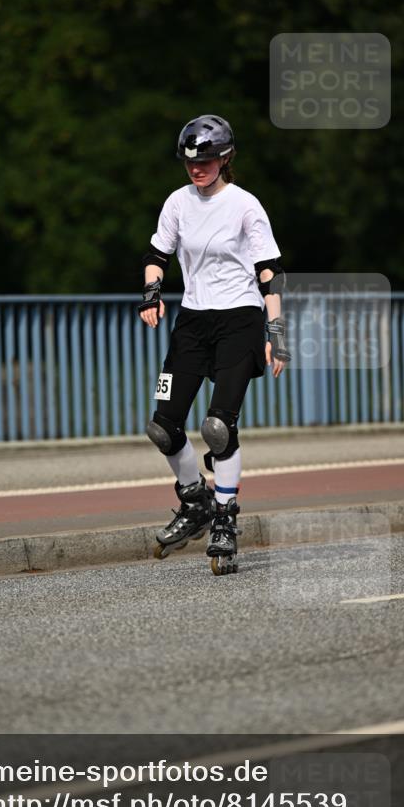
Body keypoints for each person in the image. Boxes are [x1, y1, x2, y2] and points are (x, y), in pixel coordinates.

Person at [138, 114, 290, 574]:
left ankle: (225, 518)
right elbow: (156, 254)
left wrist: (276, 333)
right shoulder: (177, 203)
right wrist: (152, 295)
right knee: (163, 427)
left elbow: (269, 270)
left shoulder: (245, 205)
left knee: (218, 426)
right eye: (189, 162)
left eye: (205, 160)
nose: (196, 168)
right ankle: (195, 502)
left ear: (225, 158)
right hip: (193, 322)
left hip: (239, 322)